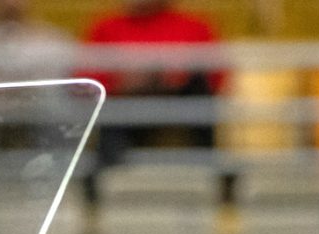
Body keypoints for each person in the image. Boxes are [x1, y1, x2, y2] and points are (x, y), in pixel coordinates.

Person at [81, 0, 225, 164]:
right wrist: (123, 82)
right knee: (111, 111)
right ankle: (103, 174)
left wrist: (173, 76)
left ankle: (211, 171)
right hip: (127, 105)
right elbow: (87, 82)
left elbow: (216, 78)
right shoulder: (106, 27)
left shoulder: (194, 26)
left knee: (198, 94)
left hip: (178, 101)